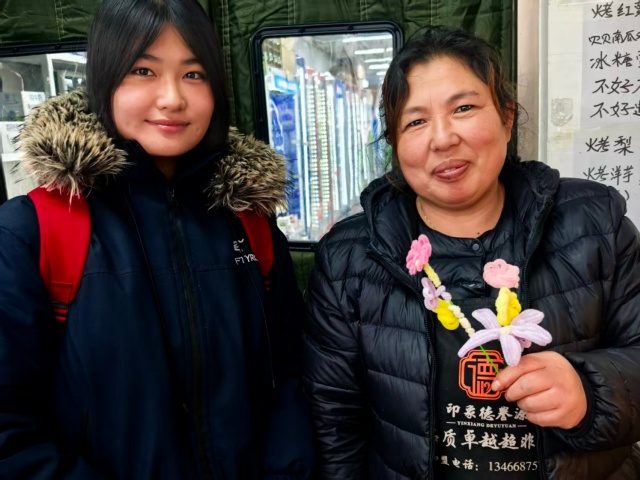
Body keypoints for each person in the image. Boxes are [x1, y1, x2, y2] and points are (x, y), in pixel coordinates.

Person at [303, 25, 640, 479]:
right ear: (395, 144)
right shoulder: (348, 258)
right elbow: (336, 419)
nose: (442, 139)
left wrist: (590, 391)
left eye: (463, 108)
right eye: (415, 122)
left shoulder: (595, 223)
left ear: (506, 117)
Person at [0, 0, 313, 478]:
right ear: (104, 80)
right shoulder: (34, 231)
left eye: (193, 74)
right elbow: (10, 433)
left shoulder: (248, 222)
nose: (172, 98)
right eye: (143, 70)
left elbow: (292, 372)